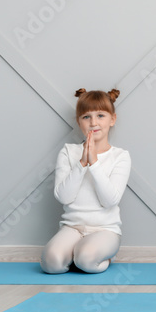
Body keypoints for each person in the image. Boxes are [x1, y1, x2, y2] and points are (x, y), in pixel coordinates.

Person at [40, 88, 131, 274]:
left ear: (112, 119)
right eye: (86, 117)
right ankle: (76, 253)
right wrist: (82, 163)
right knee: (51, 264)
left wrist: (94, 162)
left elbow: (110, 200)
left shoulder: (121, 156)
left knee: (86, 260)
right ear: (79, 122)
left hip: (104, 230)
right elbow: (64, 197)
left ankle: (95, 254)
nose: (93, 123)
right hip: (72, 228)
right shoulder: (68, 151)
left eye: (100, 115)